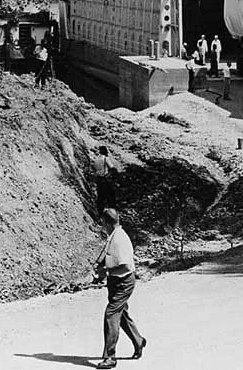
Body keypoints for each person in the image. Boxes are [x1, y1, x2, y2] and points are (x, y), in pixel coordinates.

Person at [94, 209, 146, 368]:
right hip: (116, 281)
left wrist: (106, 271)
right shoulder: (114, 235)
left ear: (105, 222)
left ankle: (110, 357)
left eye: (102, 222)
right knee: (120, 314)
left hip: (123, 282)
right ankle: (138, 340)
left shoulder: (119, 239)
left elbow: (124, 265)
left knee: (111, 314)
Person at [94, 147, 117, 214]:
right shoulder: (105, 158)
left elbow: (95, 169)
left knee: (100, 197)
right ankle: (112, 213)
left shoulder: (96, 159)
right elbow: (112, 168)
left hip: (98, 180)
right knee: (110, 196)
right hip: (105, 179)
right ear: (105, 152)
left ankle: (99, 213)